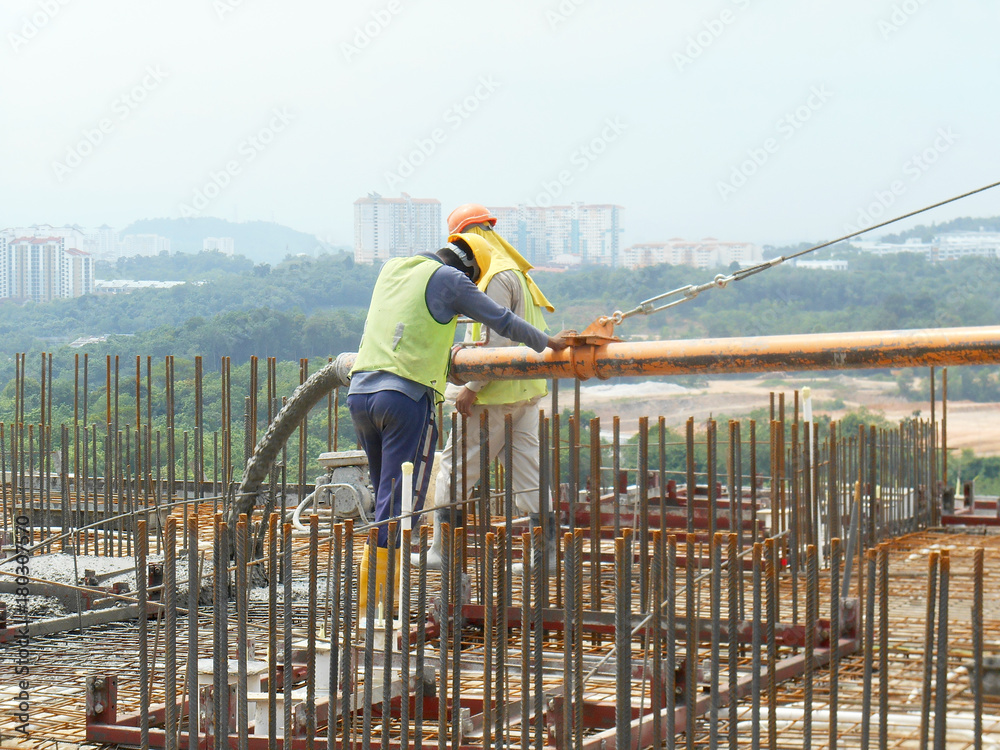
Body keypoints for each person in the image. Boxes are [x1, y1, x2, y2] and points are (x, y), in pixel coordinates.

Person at [348, 236, 569, 613]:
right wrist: (550, 342)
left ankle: (373, 602)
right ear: (468, 270)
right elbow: (502, 321)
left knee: (383, 494)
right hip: (404, 399)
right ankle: (379, 610)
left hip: (360, 393)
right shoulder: (451, 279)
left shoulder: (393, 268)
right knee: (401, 504)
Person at [420, 203, 562, 573]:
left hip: (491, 398)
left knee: (454, 473)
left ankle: (443, 551)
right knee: (530, 476)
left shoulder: (494, 276)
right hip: (524, 394)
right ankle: (543, 559)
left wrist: (472, 387)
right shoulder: (513, 270)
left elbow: (496, 342)